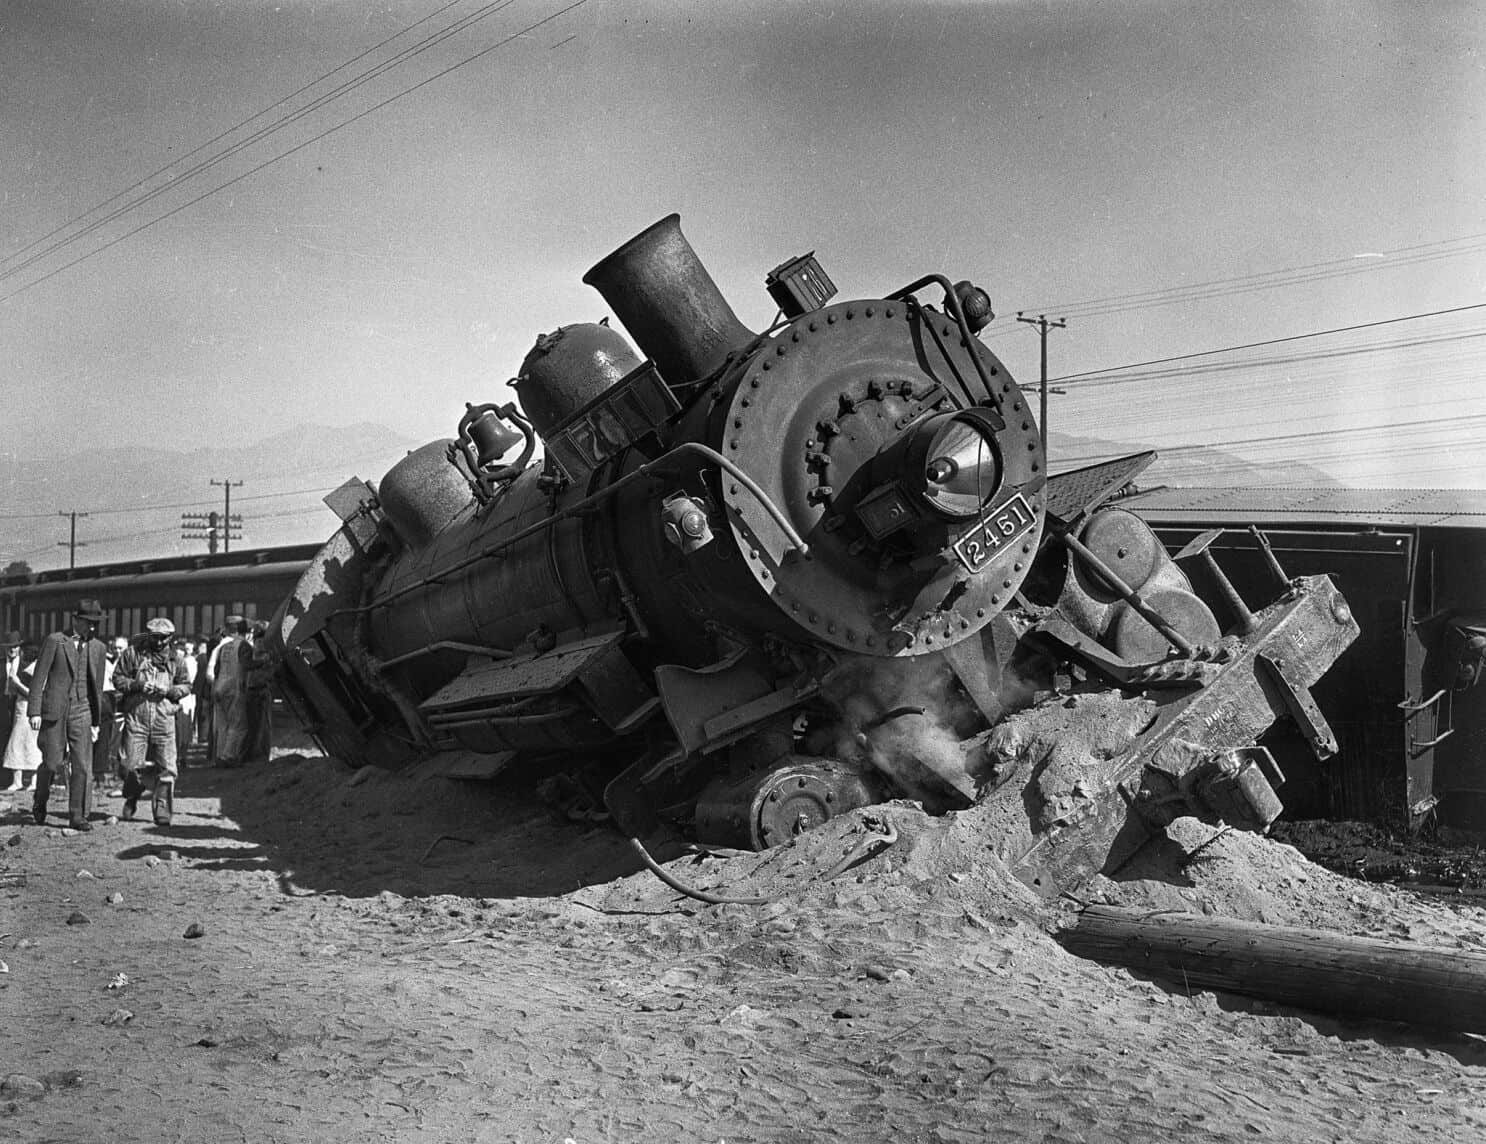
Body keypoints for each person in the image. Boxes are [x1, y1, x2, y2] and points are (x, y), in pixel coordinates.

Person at [27, 599, 107, 830]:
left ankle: (78, 816)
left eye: (95, 623)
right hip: (55, 709)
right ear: (76, 620)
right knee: (52, 762)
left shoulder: (98, 648)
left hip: (83, 710)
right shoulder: (55, 641)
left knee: (82, 764)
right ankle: (40, 799)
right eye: (88, 622)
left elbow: (97, 687)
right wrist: (35, 711)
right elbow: (39, 678)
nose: (92, 627)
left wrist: (96, 720)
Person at [114, 616, 192, 826]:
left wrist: (170, 690)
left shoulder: (177, 659)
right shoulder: (132, 654)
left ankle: (162, 810)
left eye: (163, 638)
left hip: (163, 717)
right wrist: (138, 685)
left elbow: (186, 685)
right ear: (148, 635)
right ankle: (133, 794)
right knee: (129, 764)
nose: (158, 642)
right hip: (136, 717)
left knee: (167, 768)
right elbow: (118, 678)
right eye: (155, 637)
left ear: (170, 637)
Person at [207, 616, 251, 767]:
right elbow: (247, 665)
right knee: (238, 725)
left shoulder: (224, 646)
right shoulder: (243, 645)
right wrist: (264, 661)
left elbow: (215, 669)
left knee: (222, 726)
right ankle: (229, 756)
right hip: (234, 688)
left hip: (220, 686)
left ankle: (220, 756)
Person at [3, 640, 42, 792]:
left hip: (29, 709)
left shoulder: (35, 669)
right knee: (17, 743)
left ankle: (33, 782)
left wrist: (17, 683)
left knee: (29, 744)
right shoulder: (23, 666)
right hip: (20, 708)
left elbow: (34, 693)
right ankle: (18, 781)